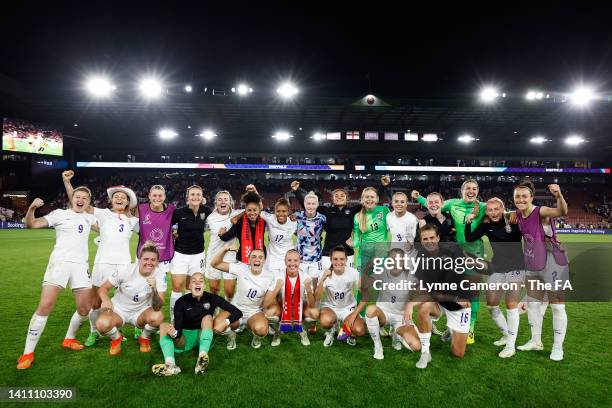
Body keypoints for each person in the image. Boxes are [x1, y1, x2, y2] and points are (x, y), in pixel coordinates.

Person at [17, 191, 97, 370]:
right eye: (78, 197)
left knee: (84, 308)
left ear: (89, 202)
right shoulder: (60, 214)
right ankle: (27, 353)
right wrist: (31, 209)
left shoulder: (90, 218)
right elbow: (32, 224)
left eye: (85, 198)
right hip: (60, 263)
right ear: (71, 199)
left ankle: (69, 338)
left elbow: (111, 229)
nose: (81, 200)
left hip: (80, 265)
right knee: (45, 305)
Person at [61, 170, 139, 347]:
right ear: (112, 200)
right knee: (95, 302)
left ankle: (121, 329)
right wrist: (67, 183)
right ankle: (93, 332)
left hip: (124, 265)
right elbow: (79, 201)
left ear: (128, 202)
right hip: (102, 264)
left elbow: (150, 231)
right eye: (116, 196)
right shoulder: (102, 213)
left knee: (124, 300)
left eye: (123, 197)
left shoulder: (133, 221)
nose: (119, 198)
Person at [413, 179, 487, 344]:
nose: (471, 191)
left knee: (472, 293)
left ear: (478, 191)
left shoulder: (482, 207)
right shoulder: (452, 204)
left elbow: (499, 211)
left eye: (474, 189)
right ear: (461, 190)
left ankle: (470, 328)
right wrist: (419, 198)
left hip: (474, 254)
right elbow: (434, 204)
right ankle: (451, 326)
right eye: (467, 188)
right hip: (453, 257)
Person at [513, 180, 569, 361]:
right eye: (517, 196)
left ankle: (558, 347)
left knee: (557, 307)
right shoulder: (517, 214)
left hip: (553, 263)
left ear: (531, 198)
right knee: (534, 304)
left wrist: (558, 195)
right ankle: (536, 341)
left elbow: (562, 211)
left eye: (524, 196)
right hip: (532, 263)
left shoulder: (541, 212)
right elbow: (497, 212)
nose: (520, 199)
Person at [409, 224, 477, 369]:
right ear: (421, 241)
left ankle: (451, 329)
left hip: (459, 303)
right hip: (441, 299)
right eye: (425, 239)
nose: (429, 241)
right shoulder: (421, 256)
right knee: (423, 307)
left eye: (432, 237)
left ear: (438, 238)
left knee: (458, 353)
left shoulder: (453, 250)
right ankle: (425, 352)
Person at [465, 197, 524, 358]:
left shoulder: (513, 220)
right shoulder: (486, 225)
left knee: (511, 304)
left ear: (502, 208)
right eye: (490, 210)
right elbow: (469, 237)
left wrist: (516, 213)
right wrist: (469, 221)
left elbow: (530, 215)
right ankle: (506, 334)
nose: (493, 212)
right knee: (491, 305)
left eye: (496, 209)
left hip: (516, 268)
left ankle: (511, 346)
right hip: (497, 268)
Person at [152, 272, 243, 376]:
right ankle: (170, 365)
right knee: (163, 325)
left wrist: (226, 322)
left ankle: (202, 358)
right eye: (194, 281)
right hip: (184, 339)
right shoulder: (181, 302)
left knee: (208, 317)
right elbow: (178, 332)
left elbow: (238, 312)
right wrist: (174, 334)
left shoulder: (212, 298)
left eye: (201, 281)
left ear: (204, 285)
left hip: (203, 336)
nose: (197, 283)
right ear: (189, 286)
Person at [290, 176, 390, 269]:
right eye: (336, 195)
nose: (339, 197)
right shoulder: (326, 211)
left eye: (342, 195)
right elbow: (309, 206)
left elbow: (370, 202)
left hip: (347, 253)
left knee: (347, 284)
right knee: (328, 283)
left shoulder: (353, 211)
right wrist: (297, 191)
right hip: (328, 253)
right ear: (332, 199)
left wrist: (383, 187)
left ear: (347, 198)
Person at [95, 241, 166, 355]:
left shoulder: (160, 275)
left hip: (141, 311)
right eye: (146, 259)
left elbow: (158, 306)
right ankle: (116, 338)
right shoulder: (125, 270)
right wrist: (106, 300)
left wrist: (154, 289)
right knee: (101, 324)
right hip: (119, 309)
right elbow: (102, 288)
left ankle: (144, 338)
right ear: (139, 259)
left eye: (153, 260)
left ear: (157, 262)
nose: (149, 262)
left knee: (158, 317)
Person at [211, 243, 276, 350]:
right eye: (253, 257)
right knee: (218, 325)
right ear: (249, 260)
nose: (257, 259)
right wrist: (225, 249)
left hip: (253, 312)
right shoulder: (242, 268)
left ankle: (256, 336)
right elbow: (215, 264)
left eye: (260, 257)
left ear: (264, 261)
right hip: (236, 310)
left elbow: (266, 303)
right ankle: (231, 334)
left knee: (261, 329)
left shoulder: (270, 276)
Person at [364, 247, 420, 359]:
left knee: (416, 346)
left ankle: (396, 335)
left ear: (404, 261)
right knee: (370, 310)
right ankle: (378, 346)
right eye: (392, 260)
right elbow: (364, 285)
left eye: (399, 260)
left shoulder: (411, 277)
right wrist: (368, 268)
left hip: (401, 317)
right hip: (383, 314)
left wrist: (411, 304)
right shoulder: (382, 273)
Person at [169, 185, 212, 324]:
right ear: (187, 197)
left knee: (192, 287)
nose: (195, 197)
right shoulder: (179, 212)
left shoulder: (206, 210)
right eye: (192, 194)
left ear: (202, 197)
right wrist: (172, 234)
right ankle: (174, 319)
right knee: (177, 287)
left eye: (198, 195)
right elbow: (165, 225)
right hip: (180, 254)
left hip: (198, 255)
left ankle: (189, 317)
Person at [263, 249, 318, 346]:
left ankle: (302, 330)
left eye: (295, 260)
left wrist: (309, 289)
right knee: (269, 313)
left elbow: (312, 305)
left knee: (314, 313)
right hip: (283, 307)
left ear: (300, 262)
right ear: (285, 262)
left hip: (300, 308)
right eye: (289, 260)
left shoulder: (306, 277)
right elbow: (266, 303)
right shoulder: (277, 276)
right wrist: (277, 288)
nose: (292, 263)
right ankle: (278, 332)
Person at [315, 246, 365, 347]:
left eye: (342, 259)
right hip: (330, 307)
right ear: (331, 260)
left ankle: (349, 333)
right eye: (335, 259)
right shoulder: (325, 274)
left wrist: (353, 315)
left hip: (348, 308)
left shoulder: (353, 273)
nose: (338, 262)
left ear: (346, 260)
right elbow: (317, 297)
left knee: (360, 330)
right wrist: (323, 279)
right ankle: (331, 331)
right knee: (325, 321)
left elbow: (366, 296)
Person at [205, 190, 243, 301]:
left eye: (226, 199)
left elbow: (253, 208)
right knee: (214, 289)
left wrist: (237, 217)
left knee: (230, 291)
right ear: (216, 202)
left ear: (231, 202)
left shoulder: (236, 213)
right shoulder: (210, 217)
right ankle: (215, 310)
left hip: (230, 256)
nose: (223, 201)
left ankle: (229, 312)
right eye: (220, 199)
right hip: (214, 255)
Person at [219, 191, 267, 263]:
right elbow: (225, 237)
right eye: (249, 210)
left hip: (261, 260)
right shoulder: (240, 223)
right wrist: (221, 233)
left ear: (259, 211)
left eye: (255, 210)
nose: (252, 213)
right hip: (243, 261)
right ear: (245, 211)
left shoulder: (263, 221)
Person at [293, 191, 327, 286]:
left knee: (314, 284)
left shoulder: (322, 218)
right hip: (300, 258)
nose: (310, 206)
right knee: (300, 285)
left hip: (315, 258)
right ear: (304, 204)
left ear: (317, 205)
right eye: (308, 203)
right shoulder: (298, 215)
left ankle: (314, 301)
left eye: (313, 204)